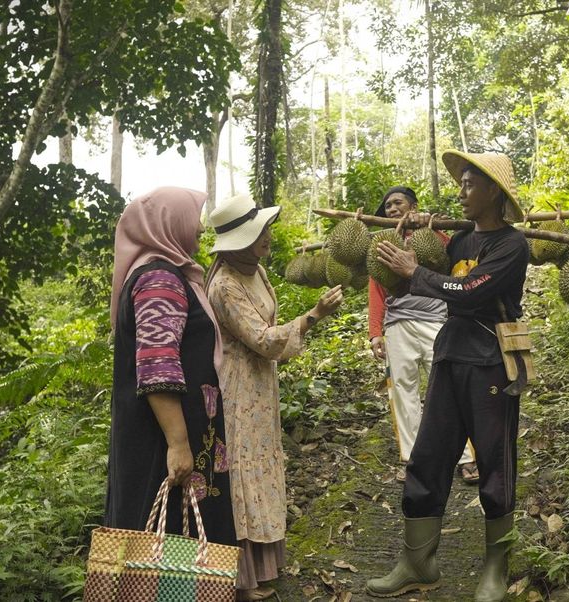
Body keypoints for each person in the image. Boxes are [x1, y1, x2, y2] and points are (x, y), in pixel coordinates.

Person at [365, 151, 528, 602]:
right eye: (462, 184)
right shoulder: (458, 241)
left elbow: (470, 290)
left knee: (495, 463)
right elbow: (429, 280)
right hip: (450, 356)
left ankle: (496, 566)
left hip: (491, 363)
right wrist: (415, 244)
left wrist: (414, 270)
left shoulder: (512, 246)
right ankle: (419, 562)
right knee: (427, 458)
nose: (461, 191)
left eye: (471, 184)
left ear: (494, 191)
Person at [206, 194, 344, 602]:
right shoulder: (225, 286)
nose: (268, 236)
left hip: (261, 386)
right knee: (244, 472)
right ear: (239, 242)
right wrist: (313, 316)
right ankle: (241, 579)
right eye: (259, 231)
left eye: (265, 228)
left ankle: (264, 565)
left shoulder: (257, 271)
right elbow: (263, 340)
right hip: (238, 386)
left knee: (263, 465)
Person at [105, 186, 236, 548]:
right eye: (193, 218)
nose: (199, 228)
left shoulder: (165, 275)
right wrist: (178, 444)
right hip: (164, 436)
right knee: (167, 541)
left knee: (172, 540)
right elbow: (157, 366)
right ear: (170, 222)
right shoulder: (159, 279)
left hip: (176, 430)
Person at [369, 186, 479, 485]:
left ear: (413, 205)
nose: (391, 209)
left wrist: (432, 226)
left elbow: (449, 260)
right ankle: (412, 459)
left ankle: (467, 458)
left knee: (450, 386)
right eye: (387, 205)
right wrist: (375, 333)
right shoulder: (383, 242)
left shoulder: (434, 234)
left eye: (397, 203)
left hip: (435, 320)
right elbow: (377, 289)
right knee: (403, 392)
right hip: (398, 325)